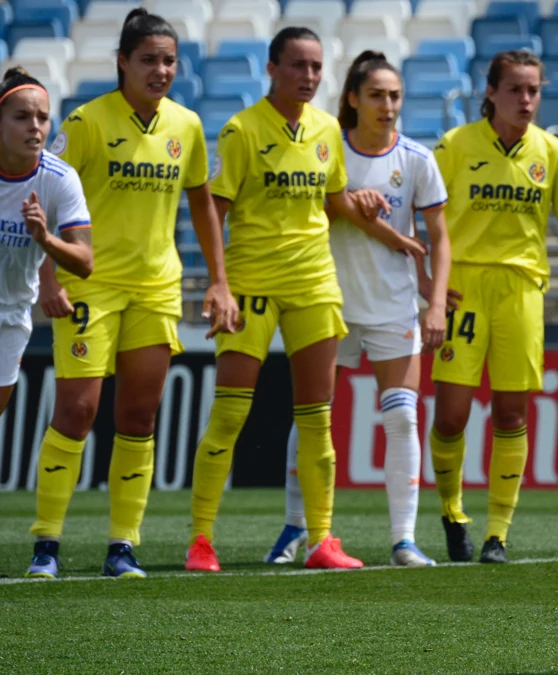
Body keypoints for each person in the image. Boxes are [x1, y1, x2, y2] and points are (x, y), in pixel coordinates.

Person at [27, 9, 239, 580]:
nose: (161, 69)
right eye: (149, 59)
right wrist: (48, 278)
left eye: (169, 60)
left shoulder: (188, 126)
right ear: (122, 61)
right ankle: (45, 543)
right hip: (88, 284)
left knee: (140, 415)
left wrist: (218, 281)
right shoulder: (88, 122)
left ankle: (123, 545)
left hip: (156, 287)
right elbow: (42, 196)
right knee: (77, 410)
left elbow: (202, 203)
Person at [184, 27, 403, 573]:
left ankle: (322, 540)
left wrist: (389, 233)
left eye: (316, 67)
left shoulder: (329, 129)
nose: (308, 77)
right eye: (298, 66)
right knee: (230, 413)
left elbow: (332, 203)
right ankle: (201, 540)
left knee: (317, 418)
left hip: (314, 283)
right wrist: (218, 282)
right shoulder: (241, 131)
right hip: (252, 284)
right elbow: (215, 209)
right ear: (272, 69)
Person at [262, 49, 453, 568]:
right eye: (376, 95)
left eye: (394, 96)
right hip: (328, 300)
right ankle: (296, 528)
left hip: (393, 307)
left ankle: (403, 539)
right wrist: (355, 204)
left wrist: (434, 305)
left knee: (401, 418)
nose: (387, 105)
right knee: (312, 417)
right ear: (352, 99)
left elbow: (439, 236)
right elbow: (323, 203)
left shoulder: (417, 158)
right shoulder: (329, 150)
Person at [429, 50, 558, 564]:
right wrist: (429, 285)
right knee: (452, 417)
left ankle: (497, 533)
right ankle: (453, 514)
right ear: (491, 93)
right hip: (462, 287)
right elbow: (429, 220)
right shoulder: (455, 147)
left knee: (510, 411)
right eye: (515, 90)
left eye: (534, 90)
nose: (526, 100)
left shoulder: (552, 152)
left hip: (522, 290)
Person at [0, 68, 93, 427]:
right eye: (22, 117)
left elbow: (85, 262)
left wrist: (45, 239)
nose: (35, 127)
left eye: (42, 117)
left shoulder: (59, 179)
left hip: (11, 315)